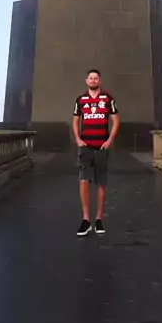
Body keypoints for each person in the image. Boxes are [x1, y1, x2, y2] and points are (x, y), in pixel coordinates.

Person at [73, 68, 120, 236]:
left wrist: (109, 141)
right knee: (83, 181)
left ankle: (99, 219)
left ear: (99, 81)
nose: (93, 80)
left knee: (101, 183)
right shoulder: (81, 100)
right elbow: (76, 120)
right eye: (90, 78)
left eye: (96, 78)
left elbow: (116, 121)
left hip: (101, 148)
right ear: (87, 81)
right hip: (86, 147)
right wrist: (78, 139)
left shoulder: (108, 99)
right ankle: (86, 219)